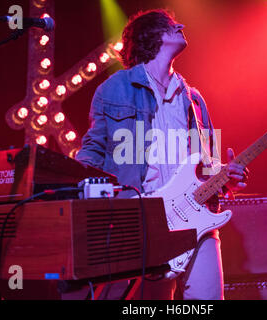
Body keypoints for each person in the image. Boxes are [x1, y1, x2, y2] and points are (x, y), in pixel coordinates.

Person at [75, 9, 248, 300]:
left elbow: (206, 162)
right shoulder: (114, 88)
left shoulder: (193, 98)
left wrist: (226, 175)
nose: (180, 25)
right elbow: (92, 151)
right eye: (170, 26)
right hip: (142, 218)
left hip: (195, 216)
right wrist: (74, 190)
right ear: (151, 36)